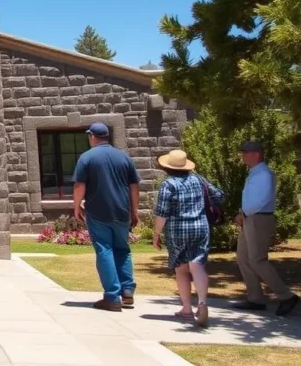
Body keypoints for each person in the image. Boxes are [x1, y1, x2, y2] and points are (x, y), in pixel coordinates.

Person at [152, 150, 225, 327]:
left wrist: (156, 234)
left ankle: (186, 308)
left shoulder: (168, 185)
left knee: (181, 269)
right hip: (200, 226)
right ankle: (202, 303)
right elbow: (219, 195)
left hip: (178, 230)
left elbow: (162, 213)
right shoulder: (198, 179)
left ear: (167, 167)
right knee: (198, 265)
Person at [72, 123, 140, 312]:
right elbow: (134, 186)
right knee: (123, 250)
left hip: (98, 212)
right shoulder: (123, 157)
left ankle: (112, 297)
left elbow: (79, 186)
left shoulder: (87, 157)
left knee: (104, 250)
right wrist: (135, 211)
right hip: (122, 211)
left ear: (92, 136)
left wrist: (76, 206)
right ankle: (127, 291)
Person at [232, 141, 299, 316]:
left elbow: (261, 200)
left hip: (258, 219)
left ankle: (287, 296)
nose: (243, 155)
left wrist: (244, 213)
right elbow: (251, 198)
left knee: (257, 260)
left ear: (256, 154)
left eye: (246, 152)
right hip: (250, 218)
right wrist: (242, 212)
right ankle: (255, 298)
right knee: (243, 258)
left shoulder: (264, 174)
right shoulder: (255, 173)